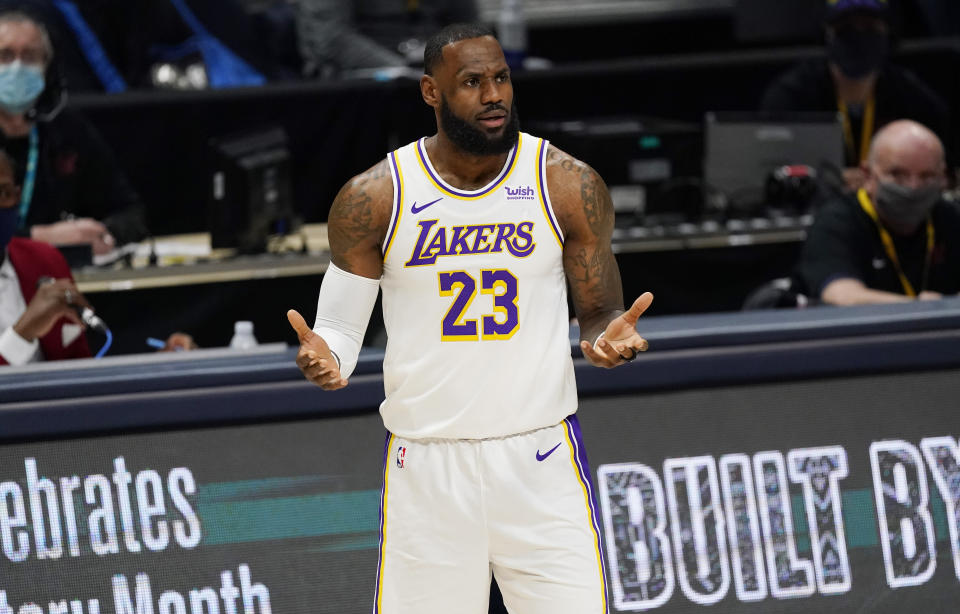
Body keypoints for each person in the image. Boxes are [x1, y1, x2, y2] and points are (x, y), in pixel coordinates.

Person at [287, 23, 652, 613]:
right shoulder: (375, 197)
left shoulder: (564, 183)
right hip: (428, 464)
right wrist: (326, 355)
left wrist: (607, 338)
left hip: (539, 458)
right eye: (472, 82)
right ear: (431, 92)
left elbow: (599, 313)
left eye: (502, 79)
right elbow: (342, 330)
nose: (494, 96)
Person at [760, 0, 950, 191]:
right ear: (826, 34)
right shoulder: (791, 95)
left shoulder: (913, 96)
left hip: (894, 208)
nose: (858, 38)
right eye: (845, 28)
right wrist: (828, 180)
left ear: (888, 33)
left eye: (869, 27)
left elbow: (945, 168)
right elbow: (769, 165)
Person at [0, 9, 148, 254]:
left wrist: (104, 235)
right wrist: (41, 237)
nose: (17, 68)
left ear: (47, 68)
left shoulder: (66, 128)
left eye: (30, 56)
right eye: (5, 55)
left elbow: (129, 211)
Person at [795, 119, 960, 305]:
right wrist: (923, 309)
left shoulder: (949, 217)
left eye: (927, 176)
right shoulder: (837, 221)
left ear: (943, 177)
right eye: (898, 174)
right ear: (867, 175)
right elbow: (842, 295)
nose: (913, 187)